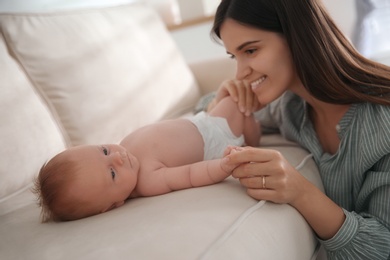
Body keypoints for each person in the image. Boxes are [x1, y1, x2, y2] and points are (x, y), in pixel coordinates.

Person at [208, 0, 390, 259]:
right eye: (234, 56)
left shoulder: (384, 124)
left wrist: (300, 191)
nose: (240, 72)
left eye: (250, 50)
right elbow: (203, 109)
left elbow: (384, 247)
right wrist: (221, 99)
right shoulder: (291, 106)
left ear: (296, 36)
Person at [34, 96, 260, 222]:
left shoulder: (124, 147)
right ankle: (254, 135)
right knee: (241, 103)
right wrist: (223, 166)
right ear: (114, 204)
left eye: (104, 151)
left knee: (237, 97)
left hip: (202, 120)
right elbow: (190, 175)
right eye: (112, 173)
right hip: (217, 136)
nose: (118, 157)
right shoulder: (148, 181)